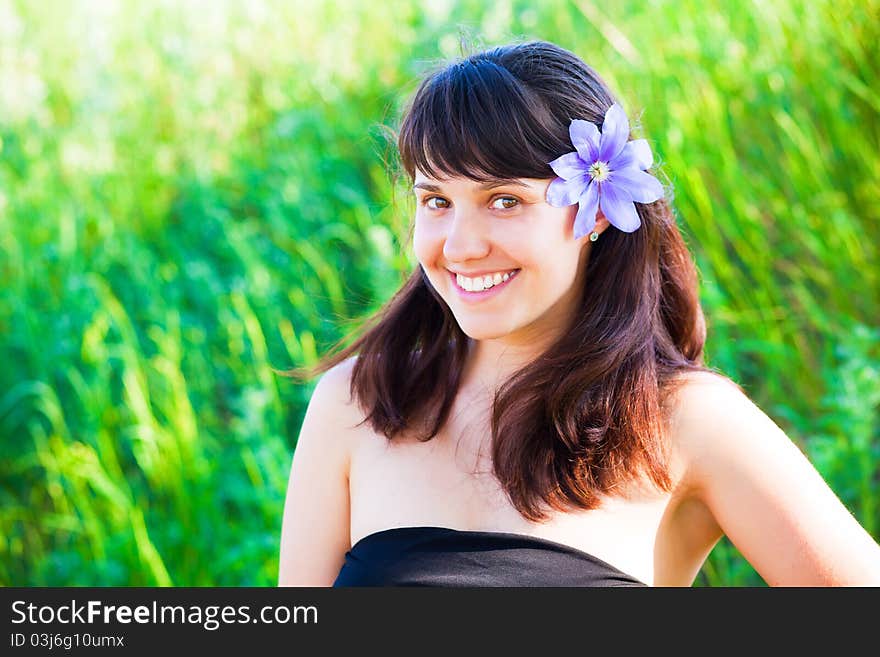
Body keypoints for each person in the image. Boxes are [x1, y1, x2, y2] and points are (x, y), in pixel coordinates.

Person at [277, 40, 880, 586]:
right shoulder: (356, 404)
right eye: (436, 200)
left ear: (595, 210)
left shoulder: (682, 422)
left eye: (504, 200)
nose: (458, 245)